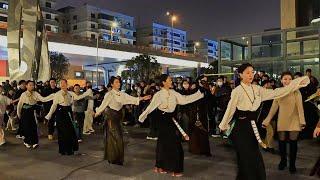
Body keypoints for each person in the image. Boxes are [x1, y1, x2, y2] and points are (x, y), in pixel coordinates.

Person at [219, 63, 310, 180]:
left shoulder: (257, 89)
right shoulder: (237, 91)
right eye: (247, 72)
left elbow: (277, 92)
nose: (251, 75)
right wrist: (223, 125)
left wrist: (296, 84)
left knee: (254, 157)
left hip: (252, 128)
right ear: (241, 74)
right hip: (241, 129)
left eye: (252, 72)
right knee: (245, 158)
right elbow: (230, 109)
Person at [139, 74, 204, 177]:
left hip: (172, 120)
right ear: (164, 82)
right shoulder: (159, 95)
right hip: (162, 121)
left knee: (172, 144)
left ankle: (166, 166)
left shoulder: (174, 93)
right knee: (165, 143)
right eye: (169, 80)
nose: (171, 81)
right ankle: (162, 166)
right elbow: (150, 107)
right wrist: (142, 117)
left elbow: (185, 99)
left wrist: (198, 94)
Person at [94, 76, 151, 165]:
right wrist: (97, 112)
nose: (119, 84)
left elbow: (131, 99)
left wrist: (143, 98)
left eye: (119, 82)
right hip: (111, 117)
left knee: (117, 137)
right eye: (116, 82)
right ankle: (113, 158)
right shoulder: (109, 94)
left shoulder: (122, 94)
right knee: (116, 137)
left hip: (118, 117)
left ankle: (116, 158)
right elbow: (103, 104)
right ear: (112, 84)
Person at [262, 72, 306, 174]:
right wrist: (267, 120)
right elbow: (273, 108)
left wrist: (302, 121)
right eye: (285, 79)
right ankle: (283, 161)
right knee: (281, 143)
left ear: (292, 80)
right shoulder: (278, 91)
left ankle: (292, 164)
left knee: (293, 143)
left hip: (294, 120)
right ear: (281, 80)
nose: (287, 81)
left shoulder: (296, 91)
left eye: (289, 79)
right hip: (282, 119)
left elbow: (300, 108)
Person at [45, 79, 93, 155]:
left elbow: (77, 97)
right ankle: (63, 150)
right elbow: (54, 105)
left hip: (68, 112)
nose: (63, 84)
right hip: (60, 112)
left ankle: (70, 149)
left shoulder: (70, 93)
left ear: (67, 84)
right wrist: (49, 115)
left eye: (64, 83)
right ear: (60, 85)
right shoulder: (57, 94)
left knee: (70, 131)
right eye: (61, 83)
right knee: (62, 132)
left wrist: (87, 92)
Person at [17, 80, 55, 149]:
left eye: (32, 85)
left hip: (32, 112)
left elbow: (43, 99)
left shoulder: (35, 93)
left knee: (34, 127)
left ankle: (34, 142)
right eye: (30, 85)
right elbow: (20, 105)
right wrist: (18, 113)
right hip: (25, 112)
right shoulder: (23, 94)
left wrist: (52, 96)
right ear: (26, 86)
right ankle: (27, 142)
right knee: (26, 127)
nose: (32, 86)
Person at [188, 75, 211, 156]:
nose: (204, 81)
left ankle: (204, 149)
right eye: (203, 80)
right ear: (199, 80)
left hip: (203, 113)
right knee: (194, 132)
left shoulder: (206, 90)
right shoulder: (194, 90)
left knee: (203, 131)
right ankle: (195, 149)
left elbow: (210, 101)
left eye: (206, 80)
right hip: (195, 113)